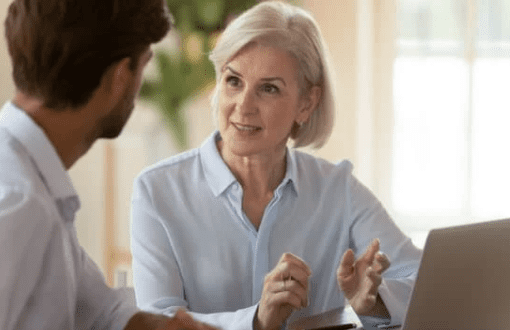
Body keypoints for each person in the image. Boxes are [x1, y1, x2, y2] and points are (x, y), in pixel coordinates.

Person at [131, 1, 422, 330]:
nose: (244, 106)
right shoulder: (156, 191)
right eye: (234, 81)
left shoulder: (338, 189)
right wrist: (255, 320)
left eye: (268, 88)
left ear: (306, 103)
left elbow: (423, 279)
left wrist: (375, 299)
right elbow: (157, 322)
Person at [0, 0, 218, 329]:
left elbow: (95, 309)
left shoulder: (37, 183)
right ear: (119, 77)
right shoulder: (19, 201)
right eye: (142, 67)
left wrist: (161, 325)